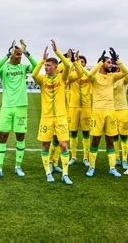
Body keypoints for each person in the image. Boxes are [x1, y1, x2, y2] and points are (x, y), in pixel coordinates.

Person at [32, 40, 81, 184]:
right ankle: (48, 172)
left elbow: (67, 65)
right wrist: (42, 60)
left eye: (48, 65)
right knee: (45, 145)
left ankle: (65, 174)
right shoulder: (42, 79)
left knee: (63, 145)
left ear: (55, 66)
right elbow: (35, 74)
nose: (46, 67)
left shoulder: (62, 77)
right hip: (46, 117)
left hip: (61, 117)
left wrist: (58, 52)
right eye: (46, 65)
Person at [0, 40, 38, 180]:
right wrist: (6, 54)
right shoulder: (4, 68)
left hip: (21, 107)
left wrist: (27, 53)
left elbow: (36, 67)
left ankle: (18, 166)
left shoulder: (23, 68)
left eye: (20, 55)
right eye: (17, 54)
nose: (19, 57)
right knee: (3, 136)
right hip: (6, 106)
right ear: (11, 54)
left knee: (20, 137)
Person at [81, 48, 128, 178]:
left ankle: (112, 168)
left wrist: (117, 60)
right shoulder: (94, 76)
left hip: (110, 112)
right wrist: (99, 62)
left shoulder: (112, 77)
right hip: (97, 112)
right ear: (101, 64)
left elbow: (126, 72)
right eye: (108, 62)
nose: (110, 65)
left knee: (110, 140)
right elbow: (89, 75)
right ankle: (91, 167)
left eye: (110, 62)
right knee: (95, 140)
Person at [67, 54, 92, 167]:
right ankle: (73, 156)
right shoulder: (72, 75)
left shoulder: (88, 74)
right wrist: (73, 62)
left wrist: (80, 66)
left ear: (85, 64)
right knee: (73, 132)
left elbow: (90, 75)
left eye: (82, 61)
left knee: (86, 132)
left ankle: (86, 157)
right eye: (79, 61)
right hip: (73, 107)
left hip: (86, 107)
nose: (80, 63)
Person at [112, 64, 128, 170]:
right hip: (111, 110)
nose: (115, 69)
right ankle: (117, 158)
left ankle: (124, 160)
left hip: (123, 110)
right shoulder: (108, 78)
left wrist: (120, 62)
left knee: (123, 136)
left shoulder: (123, 78)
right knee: (114, 135)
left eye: (117, 67)